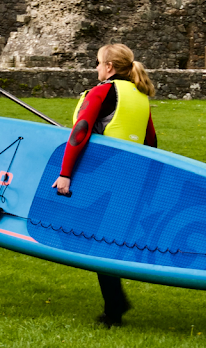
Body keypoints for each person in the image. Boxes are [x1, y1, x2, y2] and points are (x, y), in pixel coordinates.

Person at [51, 43, 157, 329]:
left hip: (104, 177)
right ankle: (115, 305)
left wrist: (65, 174)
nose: (96, 68)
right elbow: (150, 142)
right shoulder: (139, 96)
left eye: (98, 63)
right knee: (102, 238)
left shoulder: (102, 91)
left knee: (96, 241)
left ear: (109, 67)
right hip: (131, 178)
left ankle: (115, 309)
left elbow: (80, 133)